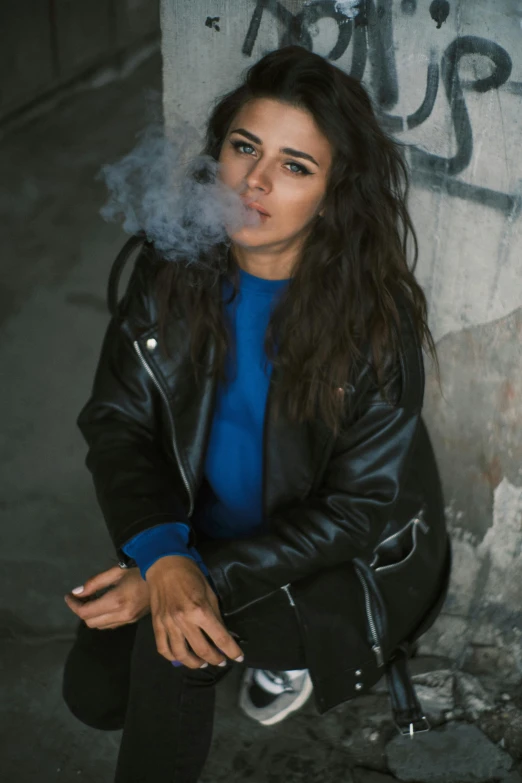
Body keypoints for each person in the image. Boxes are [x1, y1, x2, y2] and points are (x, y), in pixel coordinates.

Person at [62, 45, 450, 782]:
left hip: (325, 562)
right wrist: (162, 551)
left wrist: (180, 580)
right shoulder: (170, 265)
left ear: (333, 195)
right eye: (245, 148)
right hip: (194, 533)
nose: (257, 181)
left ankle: (274, 649)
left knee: (176, 649)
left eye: (296, 166)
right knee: (94, 695)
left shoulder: (375, 322)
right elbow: (116, 421)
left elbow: (353, 513)